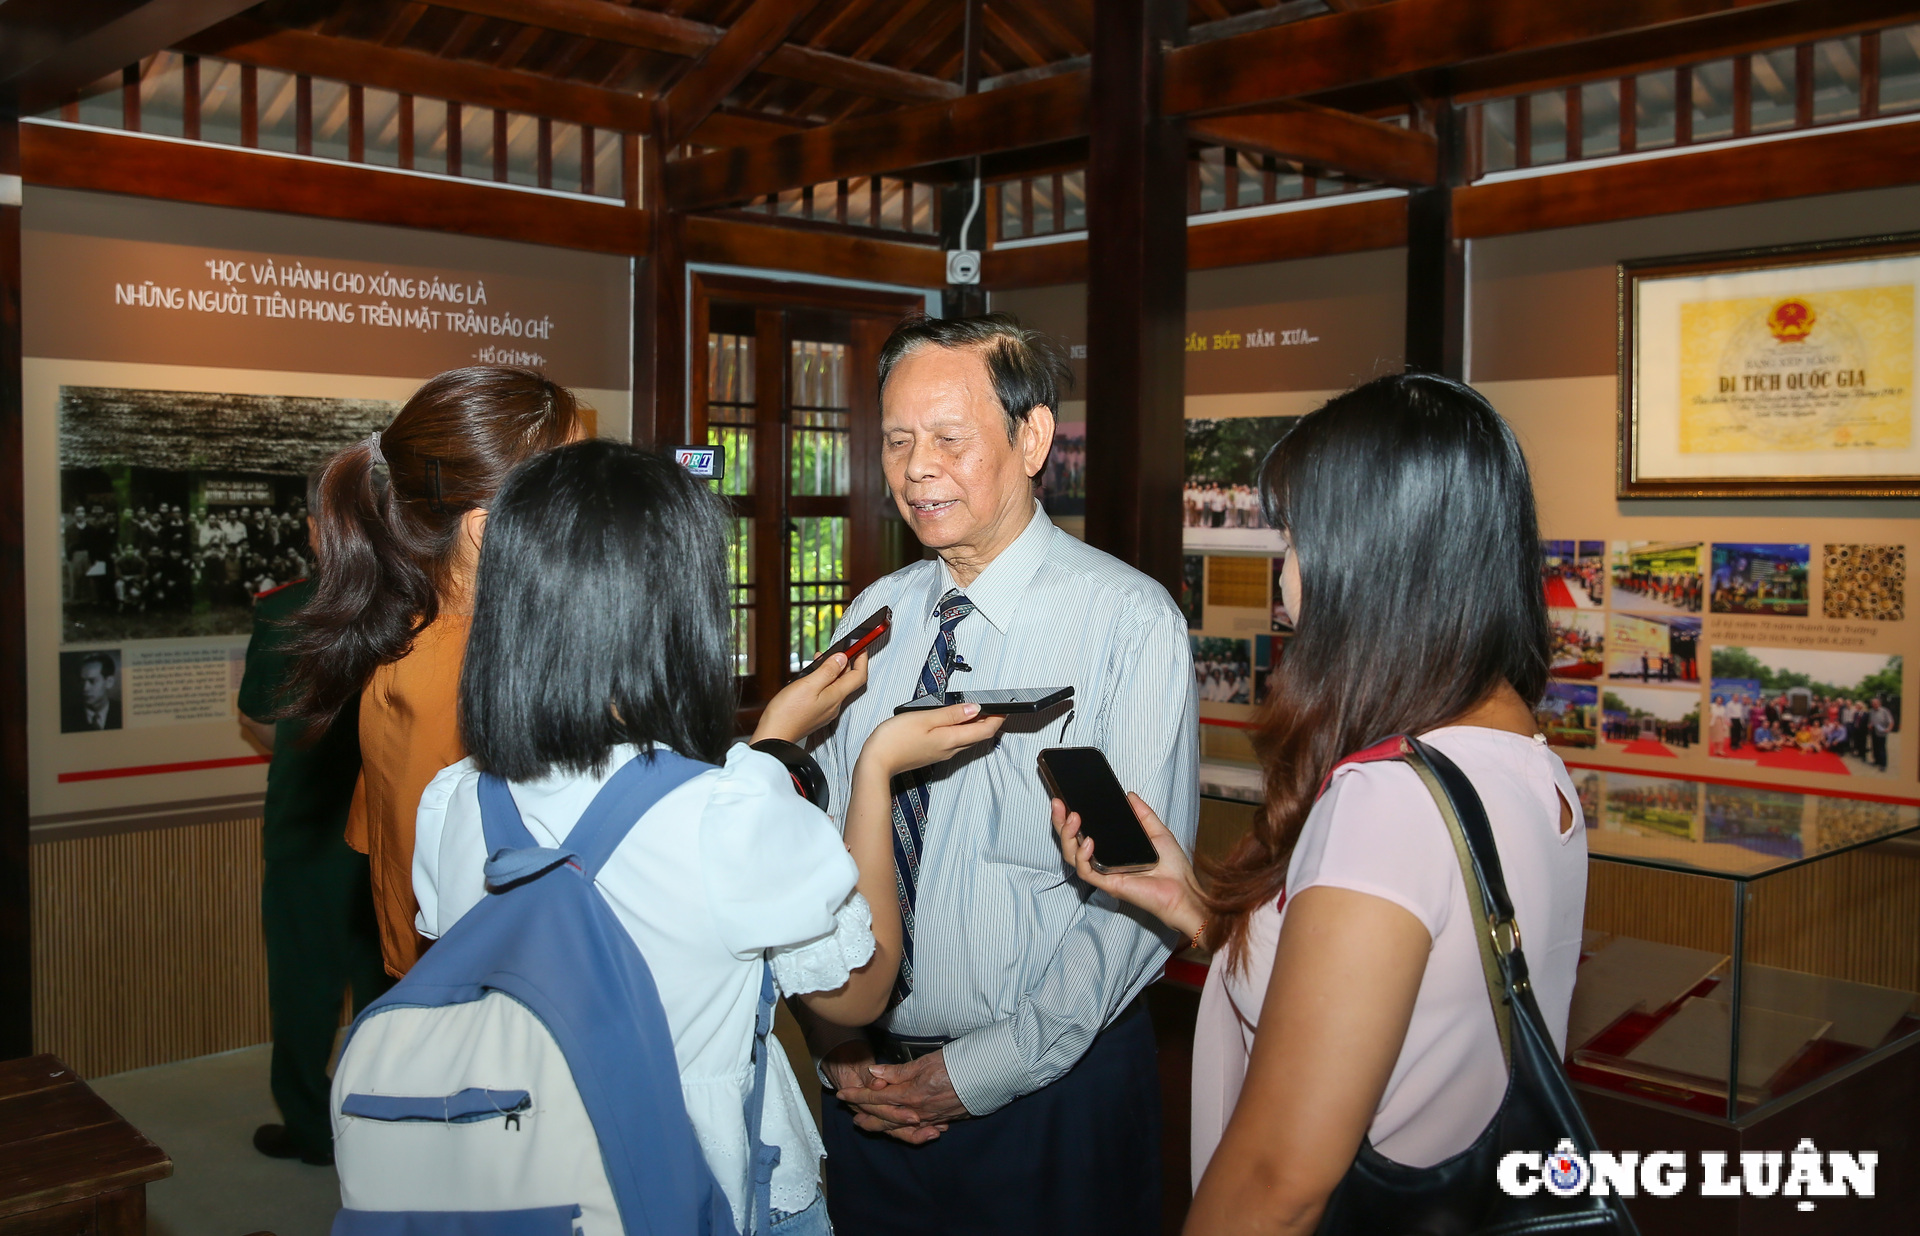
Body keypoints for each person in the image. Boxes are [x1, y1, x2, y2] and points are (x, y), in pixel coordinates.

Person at [412, 441, 1004, 1233]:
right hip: (693, 1194)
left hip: (524, 1179)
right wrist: (876, 771)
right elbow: (859, 991)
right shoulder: (733, 813)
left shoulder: (453, 801)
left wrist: (769, 748)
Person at [1051, 373, 1587, 1234]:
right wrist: (1193, 906)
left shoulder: (1389, 804)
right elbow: (1393, 1006)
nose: (1285, 572)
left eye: (1296, 538)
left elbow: (1277, 1181)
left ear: (1369, 557)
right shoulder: (1526, 761)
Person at [805, 313, 1197, 1236]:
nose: (914, 468)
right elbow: (816, 836)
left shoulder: (1127, 623)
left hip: (1050, 1099)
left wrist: (976, 1072)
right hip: (868, 1083)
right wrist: (835, 1033)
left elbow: (1139, 896)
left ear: (1032, 438)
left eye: (948, 438)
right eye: (898, 441)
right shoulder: (877, 615)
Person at [279, 366, 582, 977]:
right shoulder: (474, 669)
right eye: (572, 485)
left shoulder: (409, 629)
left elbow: (382, 832)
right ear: (488, 529)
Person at [236, 472, 389, 1168]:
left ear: (312, 528)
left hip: (308, 828)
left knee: (303, 987)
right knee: (393, 986)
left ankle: (308, 1126)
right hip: (390, 828)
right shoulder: (412, 609)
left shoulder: (287, 611)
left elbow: (264, 728)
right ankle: (389, 1124)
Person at [62, 652, 121, 732]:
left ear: (109, 682)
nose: (85, 688)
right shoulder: (66, 717)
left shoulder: (122, 711)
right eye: (82, 681)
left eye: (92, 681)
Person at [1869, 697, 1894, 770]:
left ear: (1879, 703)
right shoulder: (1871, 711)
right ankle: (1876, 761)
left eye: (1875, 703)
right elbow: (1871, 721)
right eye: (1873, 703)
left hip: (1882, 732)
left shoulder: (1885, 711)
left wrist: (1888, 729)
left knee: (1882, 748)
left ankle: (1883, 764)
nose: (1874, 704)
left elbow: (1891, 722)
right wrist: (1870, 725)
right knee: (1875, 747)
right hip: (1874, 732)